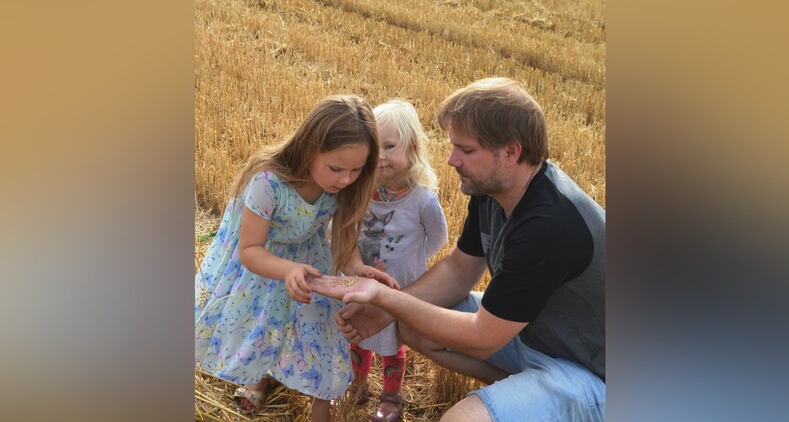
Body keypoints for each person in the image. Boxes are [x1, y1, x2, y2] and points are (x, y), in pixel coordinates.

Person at [308, 78, 606, 422]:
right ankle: (525, 394)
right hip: (538, 334)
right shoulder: (493, 189)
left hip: (592, 368)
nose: (451, 160)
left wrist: (384, 299)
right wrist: (391, 312)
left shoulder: (549, 224)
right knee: (411, 324)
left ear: (511, 152)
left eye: (465, 150)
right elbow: (460, 269)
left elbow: (483, 338)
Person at [194, 95, 399, 422]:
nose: (346, 179)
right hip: (263, 263)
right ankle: (258, 381)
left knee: (322, 331)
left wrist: (359, 269)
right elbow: (249, 250)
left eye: (357, 170)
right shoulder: (267, 182)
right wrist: (287, 270)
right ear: (308, 148)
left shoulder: (342, 186)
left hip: (308, 261)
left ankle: (322, 407)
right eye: (336, 168)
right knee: (266, 327)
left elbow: (344, 237)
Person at [347, 100, 448, 422]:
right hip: (359, 280)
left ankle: (390, 395)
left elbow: (438, 239)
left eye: (390, 146)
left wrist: (410, 260)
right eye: (375, 146)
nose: (380, 156)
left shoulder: (423, 200)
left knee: (391, 343)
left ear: (414, 148)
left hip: (399, 286)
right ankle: (358, 385)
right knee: (358, 333)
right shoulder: (362, 190)